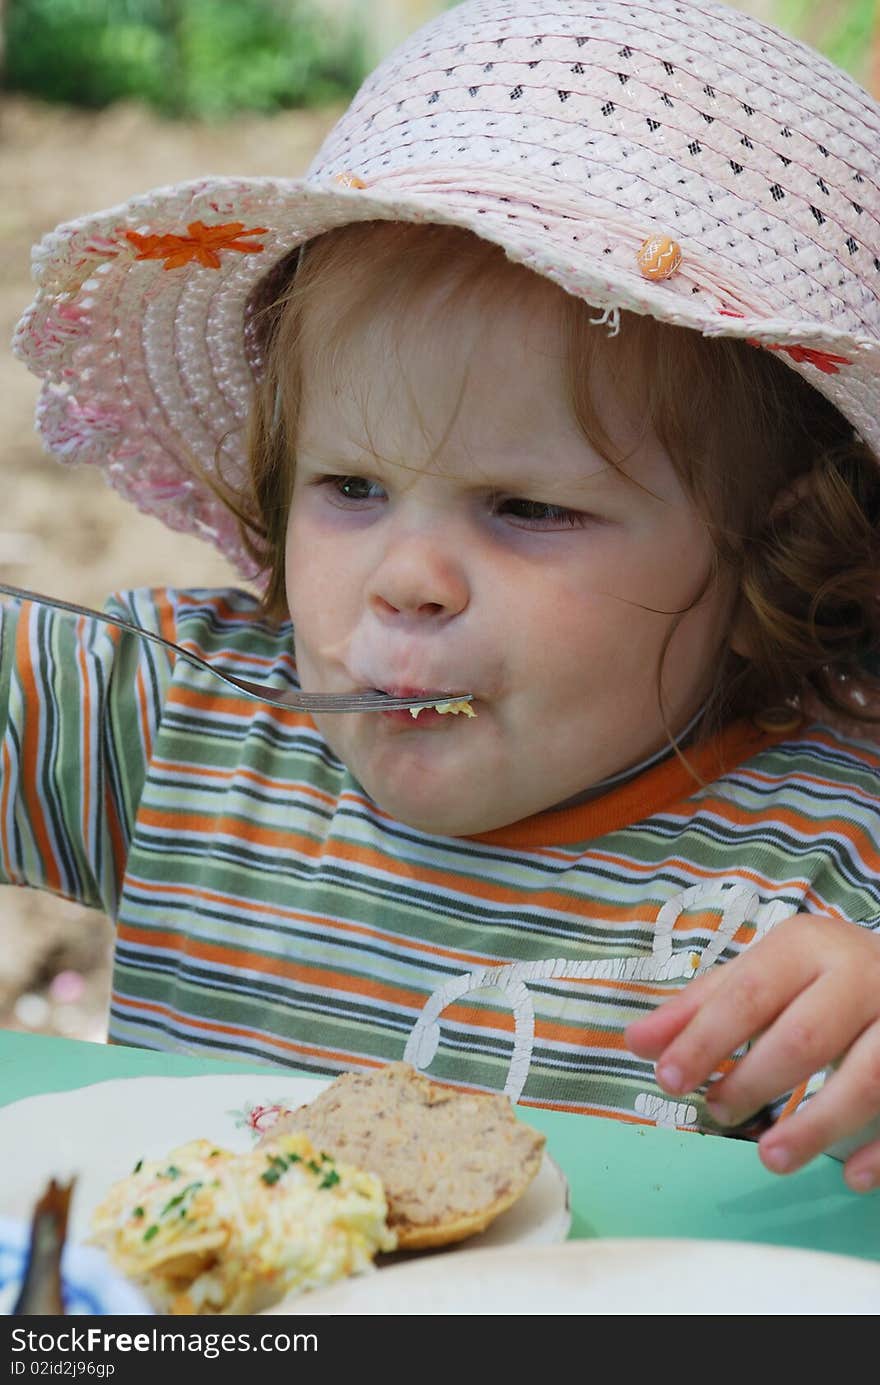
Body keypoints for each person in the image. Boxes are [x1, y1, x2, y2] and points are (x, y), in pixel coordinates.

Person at [4, 0, 880, 1193]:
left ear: (765, 547)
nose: (406, 579)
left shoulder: (831, 875)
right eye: (350, 486)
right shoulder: (188, 726)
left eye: (526, 507)